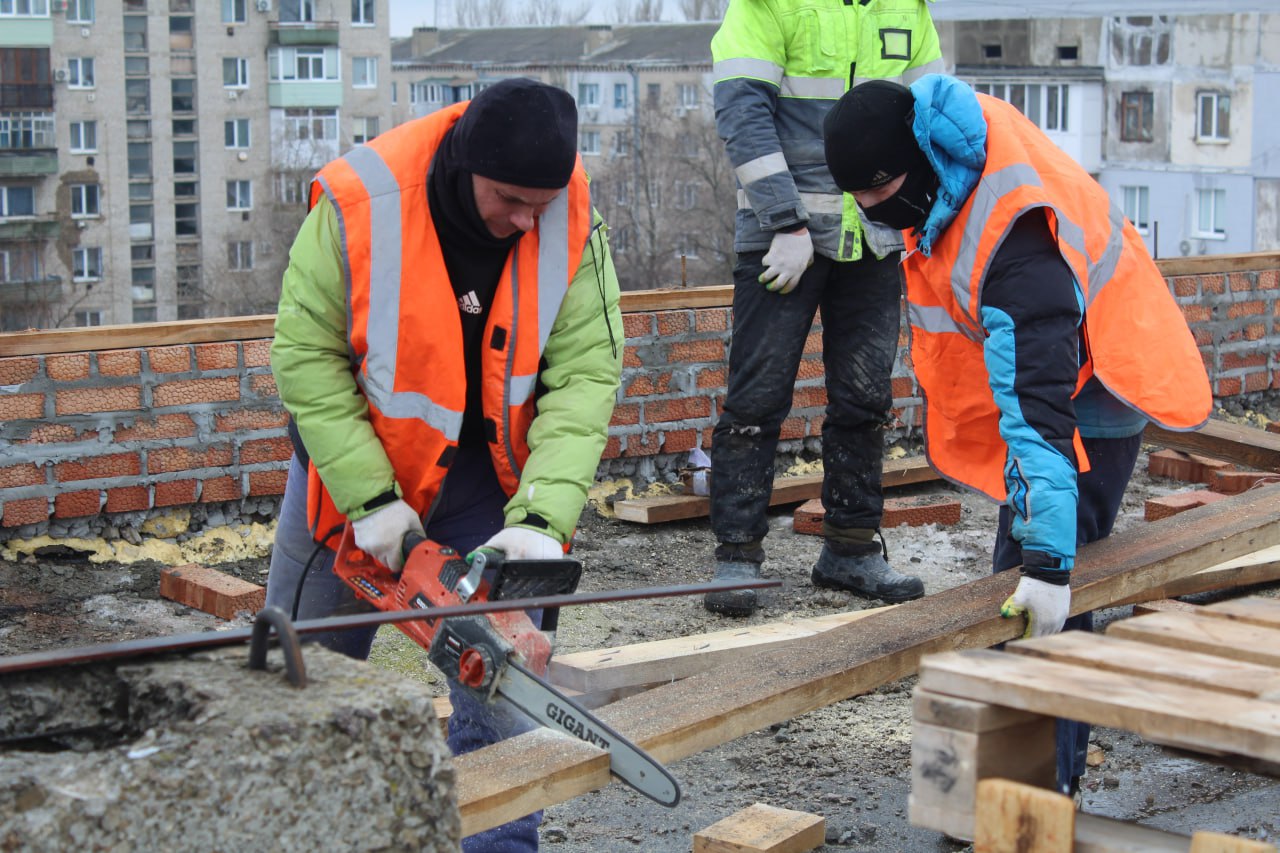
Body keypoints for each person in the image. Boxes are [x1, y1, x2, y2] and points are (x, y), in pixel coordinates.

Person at [822, 74, 1212, 796]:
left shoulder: (1014, 234)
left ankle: (1035, 797)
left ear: (918, 158)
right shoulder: (949, 146)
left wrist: (1049, 562)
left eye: (883, 196)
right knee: (1037, 582)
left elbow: (1041, 416)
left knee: (1040, 587)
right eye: (864, 203)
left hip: (1101, 369)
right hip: (1065, 355)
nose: (879, 214)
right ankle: (1014, 783)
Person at [266, 77, 623, 853]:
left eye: (541, 201)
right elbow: (304, 359)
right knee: (303, 679)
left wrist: (540, 522)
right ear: (468, 167)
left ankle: (501, 843)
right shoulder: (361, 202)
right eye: (509, 200)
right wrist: (371, 502)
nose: (528, 220)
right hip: (352, 476)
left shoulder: (568, 213)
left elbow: (587, 373)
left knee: (502, 678)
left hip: (488, 478)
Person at [703, 0, 946, 617]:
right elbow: (742, 111)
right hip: (782, 237)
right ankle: (737, 557)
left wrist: (920, 211)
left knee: (865, 400)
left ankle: (851, 549)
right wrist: (784, 219)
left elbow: (934, 115)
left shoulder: (906, 9)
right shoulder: (768, 5)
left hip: (873, 236)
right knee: (757, 396)